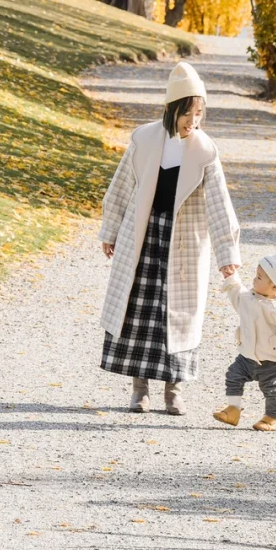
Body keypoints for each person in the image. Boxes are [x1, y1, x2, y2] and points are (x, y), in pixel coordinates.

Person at [99, 61, 240, 415]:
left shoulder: (206, 152)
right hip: (143, 236)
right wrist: (110, 230)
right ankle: (139, 389)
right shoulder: (144, 139)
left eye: (199, 114)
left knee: (177, 315)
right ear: (172, 109)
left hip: (184, 243)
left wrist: (228, 254)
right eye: (188, 113)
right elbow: (121, 188)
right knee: (138, 310)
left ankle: (173, 390)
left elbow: (220, 206)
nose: (193, 121)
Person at [212, 249, 276, 432]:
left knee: (271, 389)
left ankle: (271, 418)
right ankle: (233, 409)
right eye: (256, 275)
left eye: (259, 278)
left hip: (271, 360)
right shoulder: (249, 298)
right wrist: (231, 278)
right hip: (247, 356)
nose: (254, 279)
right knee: (233, 376)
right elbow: (237, 294)